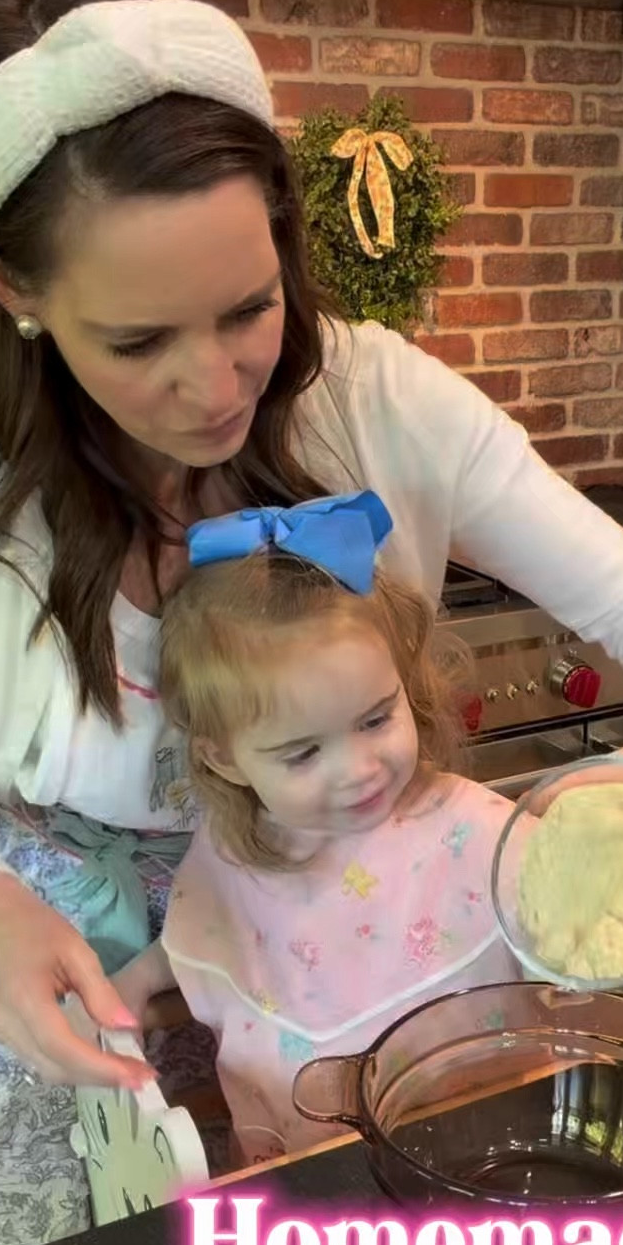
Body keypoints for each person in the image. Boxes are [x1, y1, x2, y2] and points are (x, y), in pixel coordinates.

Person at [0, 0, 623, 1245]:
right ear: (11, 289)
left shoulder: (379, 397)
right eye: (138, 341)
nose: (211, 384)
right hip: (53, 969)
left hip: (338, 951)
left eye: (248, 308)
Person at [112, 488, 521, 1162]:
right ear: (225, 757)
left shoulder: (464, 823)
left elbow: (557, 895)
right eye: (303, 753)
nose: (358, 768)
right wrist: (136, 982)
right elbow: (210, 929)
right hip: (315, 1185)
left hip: (483, 1157)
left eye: (376, 719)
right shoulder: (235, 854)